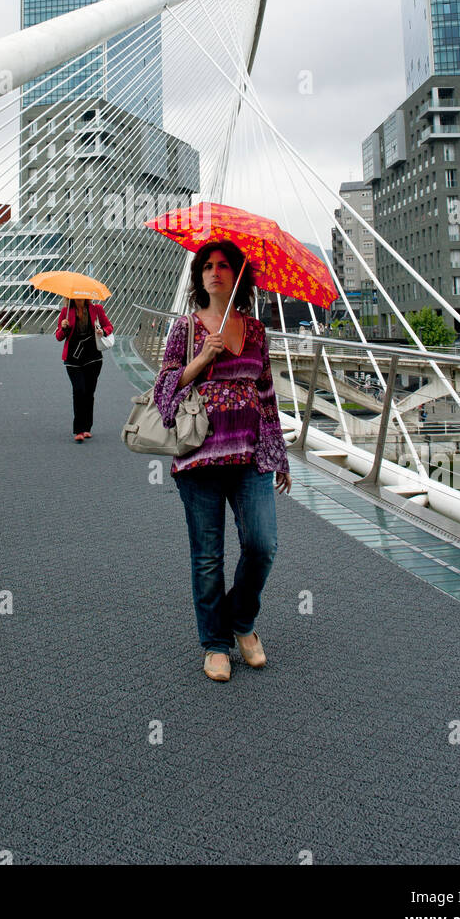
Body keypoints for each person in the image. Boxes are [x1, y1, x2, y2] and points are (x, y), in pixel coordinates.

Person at [154, 240, 291, 683]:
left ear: (238, 276)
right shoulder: (186, 329)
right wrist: (202, 358)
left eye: (224, 266)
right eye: (207, 266)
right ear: (199, 278)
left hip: (250, 456)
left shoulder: (255, 332)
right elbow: (164, 391)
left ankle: (241, 620)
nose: (215, 272)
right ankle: (216, 643)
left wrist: (280, 457)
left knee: (262, 544)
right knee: (208, 556)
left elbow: (267, 396)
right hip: (199, 459)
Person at [56, 296, 113, 442]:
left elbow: (109, 327)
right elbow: (59, 337)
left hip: (93, 357)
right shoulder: (66, 312)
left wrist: (102, 332)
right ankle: (79, 430)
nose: (79, 296)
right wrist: (63, 327)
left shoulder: (96, 309)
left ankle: (87, 428)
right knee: (79, 390)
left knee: (89, 392)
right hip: (73, 358)